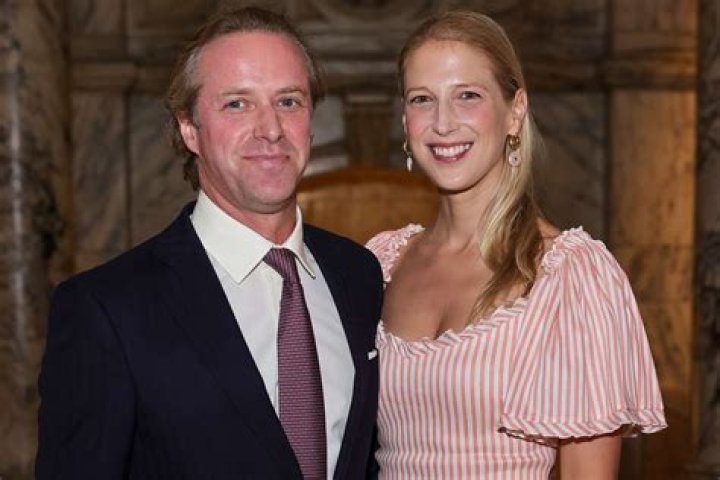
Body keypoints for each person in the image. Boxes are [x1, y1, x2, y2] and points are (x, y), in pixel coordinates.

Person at [36, 6, 383, 479]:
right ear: (189, 128)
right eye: (237, 104)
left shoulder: (357, 274)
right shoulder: (106, 310)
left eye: (288, 101)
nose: (271, 129)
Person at [366, 10, 666, 479]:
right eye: (422, 99)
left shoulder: (571, 277)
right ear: (406, 122)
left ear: (515, 110)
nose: (443, 123)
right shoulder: (380, 261)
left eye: (467, 95)